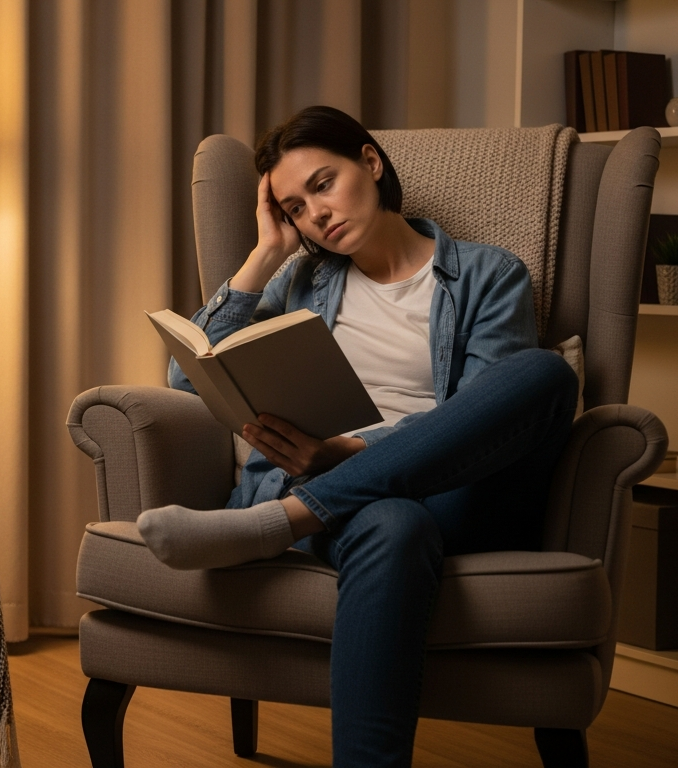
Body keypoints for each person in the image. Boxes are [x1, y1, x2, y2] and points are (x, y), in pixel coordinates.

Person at [138, 105, 579, 767]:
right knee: (394, 523)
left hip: (452, 493)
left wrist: (348, 454)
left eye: (322, 184)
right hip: (361, 513)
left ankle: (275, 523)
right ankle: (302, 511)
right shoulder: (303, 281)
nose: (314, 213)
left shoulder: (491, 274)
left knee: (542, 373)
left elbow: (481, 424)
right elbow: (185, 377)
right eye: (292, 206)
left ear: (370, 163)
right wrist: (264, 255)